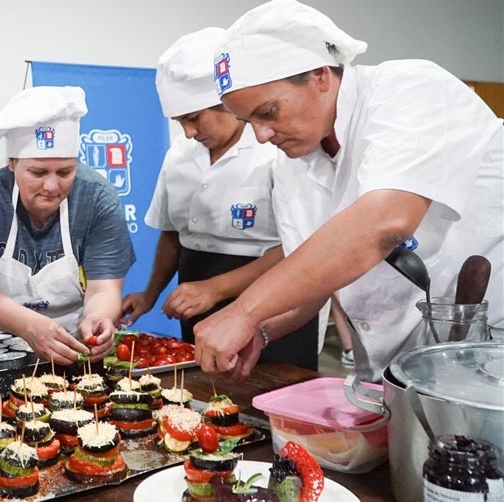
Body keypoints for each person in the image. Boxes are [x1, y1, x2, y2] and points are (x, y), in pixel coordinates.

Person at [194, 0, 503, 381]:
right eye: (248, 121)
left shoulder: (411, 89)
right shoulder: (291, 164)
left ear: (320, 76)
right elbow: (308, 285)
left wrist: (243, 312)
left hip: (487, 356)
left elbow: (384, 223)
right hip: (391, 371)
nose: (261, 135)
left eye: (268, 113)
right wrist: (258, 330)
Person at [121, 27, 319, 369]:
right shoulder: (179, 156)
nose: (188, 132)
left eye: (194, 118)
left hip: (274, 299)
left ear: (225, 104)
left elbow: (299, 247)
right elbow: (173, 235)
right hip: (196, 292)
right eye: (179, 121)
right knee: (201, 393)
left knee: (268, 393)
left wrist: (216, 288)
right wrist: (150, 294)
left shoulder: (275, 150)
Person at [0, 86, 135, 365]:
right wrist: (30, 326)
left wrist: (98, 318)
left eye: (65, 172)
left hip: (75, 350)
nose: (52, 186)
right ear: (12, 163)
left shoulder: (97, 199)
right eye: (38, 172)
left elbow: (103, 289)